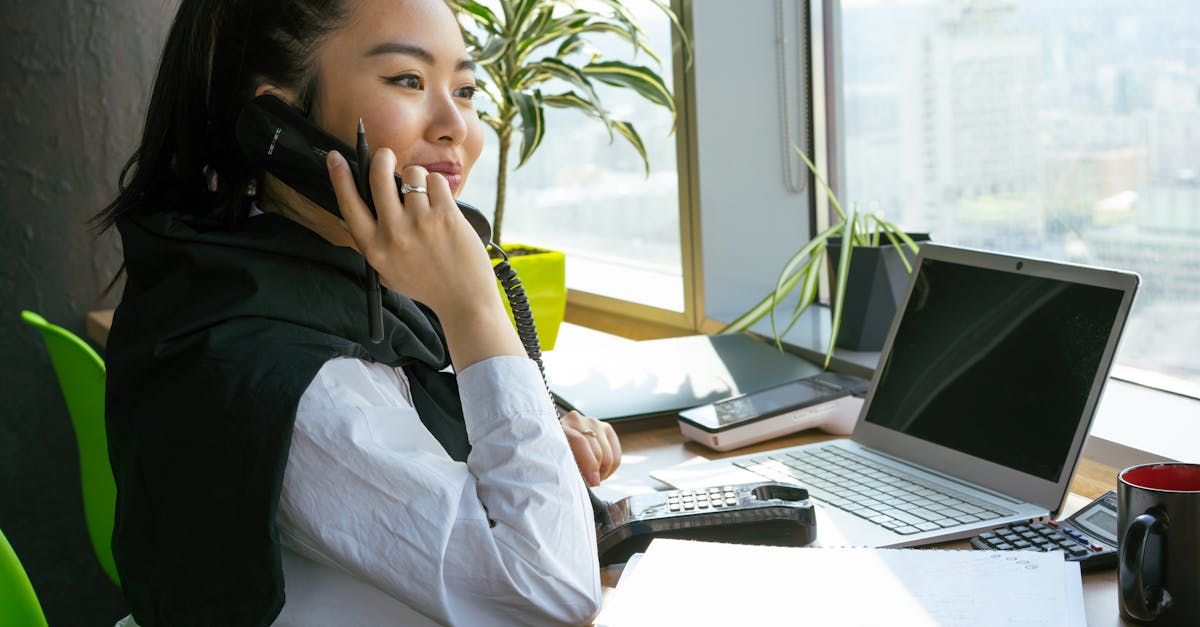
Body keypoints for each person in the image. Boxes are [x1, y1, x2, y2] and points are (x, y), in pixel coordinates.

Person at [96, 0, 619, 624]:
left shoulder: (311, 280)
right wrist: (475, 304)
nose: (456, 125)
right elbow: (553, 596)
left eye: (466, 88)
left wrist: (520, 431)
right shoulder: (296, 380)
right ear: (280, 122)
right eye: (408, 80)